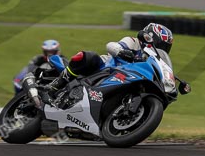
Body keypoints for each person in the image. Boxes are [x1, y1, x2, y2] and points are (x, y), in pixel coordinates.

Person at [47, 23, 191, 99]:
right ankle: (58, 83)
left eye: (165, 47)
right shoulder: (133, 42)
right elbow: (111, 45)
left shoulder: (154, 60)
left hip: (125, 80)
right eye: (160, 44)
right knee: (88, 56)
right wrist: (122, 51)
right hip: (105, 68)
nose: (161, 48)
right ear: (150, 37)